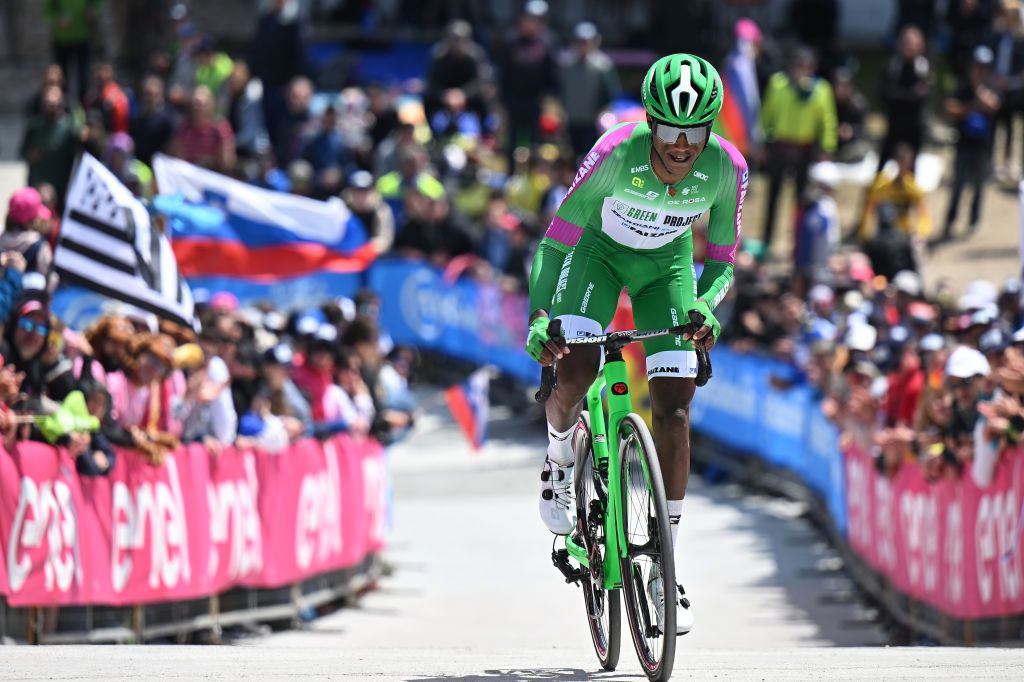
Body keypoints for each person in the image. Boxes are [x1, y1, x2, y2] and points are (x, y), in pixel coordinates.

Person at [526, 53, 747, 635]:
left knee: (675, 409)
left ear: (710, 127)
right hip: (596, 255)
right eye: (669, 130)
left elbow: (723, 260)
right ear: (650, 122)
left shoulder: (727, 169)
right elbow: (555, 244)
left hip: (667, 269)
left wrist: (705, 304)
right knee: (574, 370)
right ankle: (557, 453)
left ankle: (663, 565)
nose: (680, 145)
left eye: (694, 131)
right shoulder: (613, 154)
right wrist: (541, 314)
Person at [758, 47, 838, 257]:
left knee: (802, 200)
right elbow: (767, 114)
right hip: (781, 147)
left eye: (806, 66)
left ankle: (798, 244)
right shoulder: (778, 84)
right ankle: (767, 241)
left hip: (805, 149)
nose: (801, 71)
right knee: (773, 196)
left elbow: (828, 120)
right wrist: (763, 142)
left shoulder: (821, 89)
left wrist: (827, 146)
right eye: (798, 66)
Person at [938, 46, 1001, 244]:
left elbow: (994, 105)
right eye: (977, 66)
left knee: (979, 186)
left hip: (983, 147)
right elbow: (950, 107)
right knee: (957, 185)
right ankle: (951, 219)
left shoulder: (992, 85)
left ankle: (973, 220)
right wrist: (971, 106)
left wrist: (979, 94)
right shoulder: (962, 86)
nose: (979, 70)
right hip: (963, 144)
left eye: (983, 67)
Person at [558, 22, 621, 159]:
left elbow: (611, 92)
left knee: (592, 156)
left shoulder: (603, 65)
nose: (583, 45)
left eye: (586, 41)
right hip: (572, 118)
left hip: (593, 120)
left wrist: (601, 111)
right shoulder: (566, 64)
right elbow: (561, 90)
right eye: (580, 41)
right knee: (572, 155)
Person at [879, 25, 930, 166]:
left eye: (914, 43)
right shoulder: (892, 66)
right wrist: (910, 95)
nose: (910, 47)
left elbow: (923, 97)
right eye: (907, 42)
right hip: (895, 124)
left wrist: (900, 94)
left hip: (915, 127)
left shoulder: (924, 68)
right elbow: (885, 95)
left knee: (911, 168)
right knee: (883, 166)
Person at [19, 86, 81, 202]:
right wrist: (30, 155)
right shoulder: (34, 126)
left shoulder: (69, 127)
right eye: (48, 104)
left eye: (54, 104)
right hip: (38, 185)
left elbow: (78, 153)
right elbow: (22, 152)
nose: (51, 108)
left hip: (62, 186)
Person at [43, 0, 100, 102]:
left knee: (84, 79)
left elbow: (98, 3)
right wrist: (58, 19)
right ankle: (64, 109)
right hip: (61, 39)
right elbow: (46, 11)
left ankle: (84, 109)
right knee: (62, 79)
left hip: (83, 37)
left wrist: (93, 11)